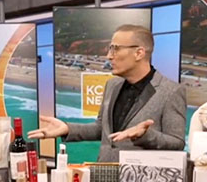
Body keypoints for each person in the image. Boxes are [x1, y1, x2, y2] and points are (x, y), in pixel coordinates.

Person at [28, 24, 186, 162]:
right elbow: (101, 128)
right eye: (110, 49)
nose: (109, 56)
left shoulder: (171, 91)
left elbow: (177, 143)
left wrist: (144, 135)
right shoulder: (112, 85)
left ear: (139, 53)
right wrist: (68, 129)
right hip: (104, 175)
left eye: (115, 49)